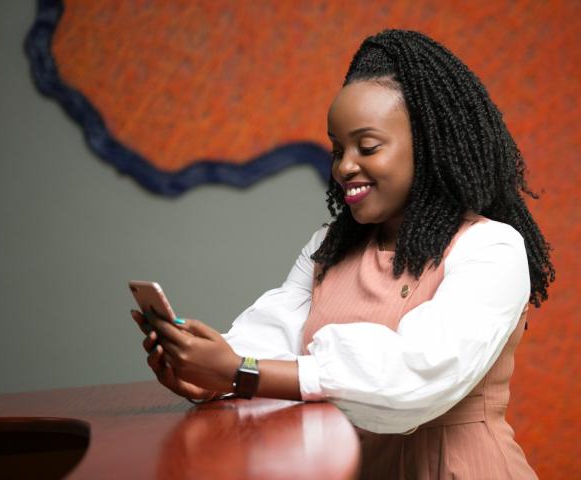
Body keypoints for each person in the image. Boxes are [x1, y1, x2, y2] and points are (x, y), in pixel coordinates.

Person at [132, 29, 554, 479]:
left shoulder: (491, 249)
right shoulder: (327, 247)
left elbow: (411, 380)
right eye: (337, 148)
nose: (343, 166)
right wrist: (205, 374)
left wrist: (240, 372)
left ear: (430, 147)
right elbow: (266, 346)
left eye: (367, 146)